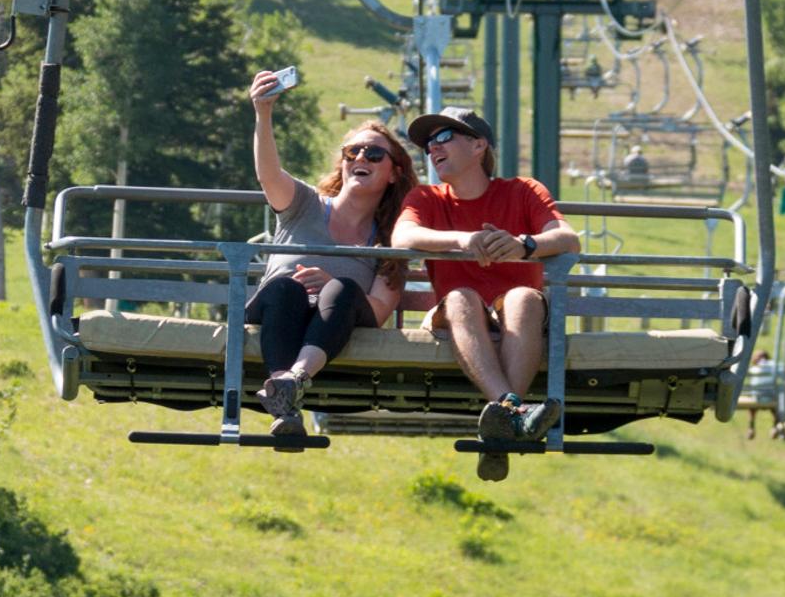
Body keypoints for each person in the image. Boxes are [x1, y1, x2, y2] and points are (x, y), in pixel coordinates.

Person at [391, 107, 580, 480]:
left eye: (444, 137)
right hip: (456, 314)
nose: (433, 148)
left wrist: (524, 245)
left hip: (517, 316)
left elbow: (567, 239)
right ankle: (514, 414)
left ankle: (503, 419)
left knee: (523, 297)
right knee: (461, 297)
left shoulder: (523, 191)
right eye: (429, 144)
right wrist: (463, 240)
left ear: (478, 145)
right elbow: (402, 237)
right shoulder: (425, 197)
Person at [246, 69, 413, 437]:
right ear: (343, 162)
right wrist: (263, 113)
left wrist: (329, 287)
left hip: (336, 321)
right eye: (352, 152)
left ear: (393, 173)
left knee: (344, 289)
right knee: (285, 287)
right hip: (279, 309)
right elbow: (269, 175)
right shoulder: (304, 205)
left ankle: (292, 381)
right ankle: (284, 386)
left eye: (374, 153)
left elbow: (378, 311)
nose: (361, 157)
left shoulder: (390, 241)